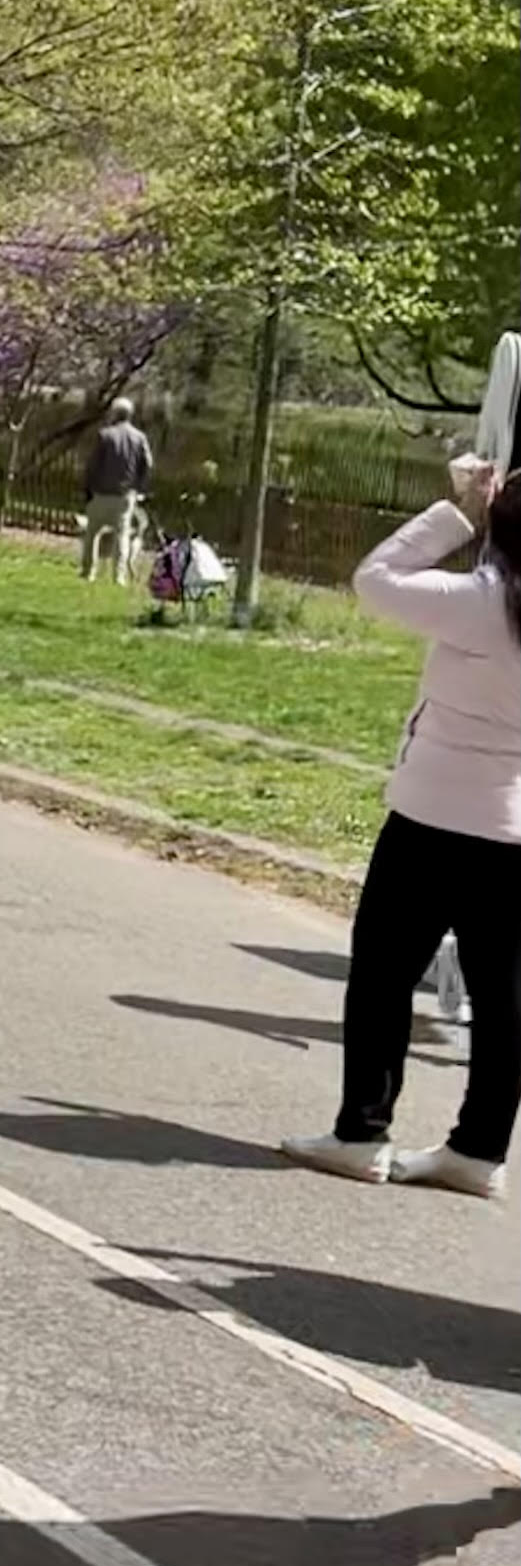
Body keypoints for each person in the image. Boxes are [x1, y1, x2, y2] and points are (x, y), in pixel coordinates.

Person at [282, 456, 520, 1201]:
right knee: (503, 999)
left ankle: (361, 1131)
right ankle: (479, 1149)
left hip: (433, 817)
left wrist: (457, 511)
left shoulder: (482, 601)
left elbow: (375, 578)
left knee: (383, 976)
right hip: (514, 830)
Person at [80, 393, 153, 582]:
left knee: (92, 533)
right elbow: (147, 464)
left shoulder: (105, 435)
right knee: (122, 535)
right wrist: (138, 486)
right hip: (125, 494)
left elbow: (93, 465)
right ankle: (118, 576)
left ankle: (89, 572)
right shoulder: (139, 438)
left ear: (114, 413)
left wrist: (88, 488)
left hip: (102, 492)